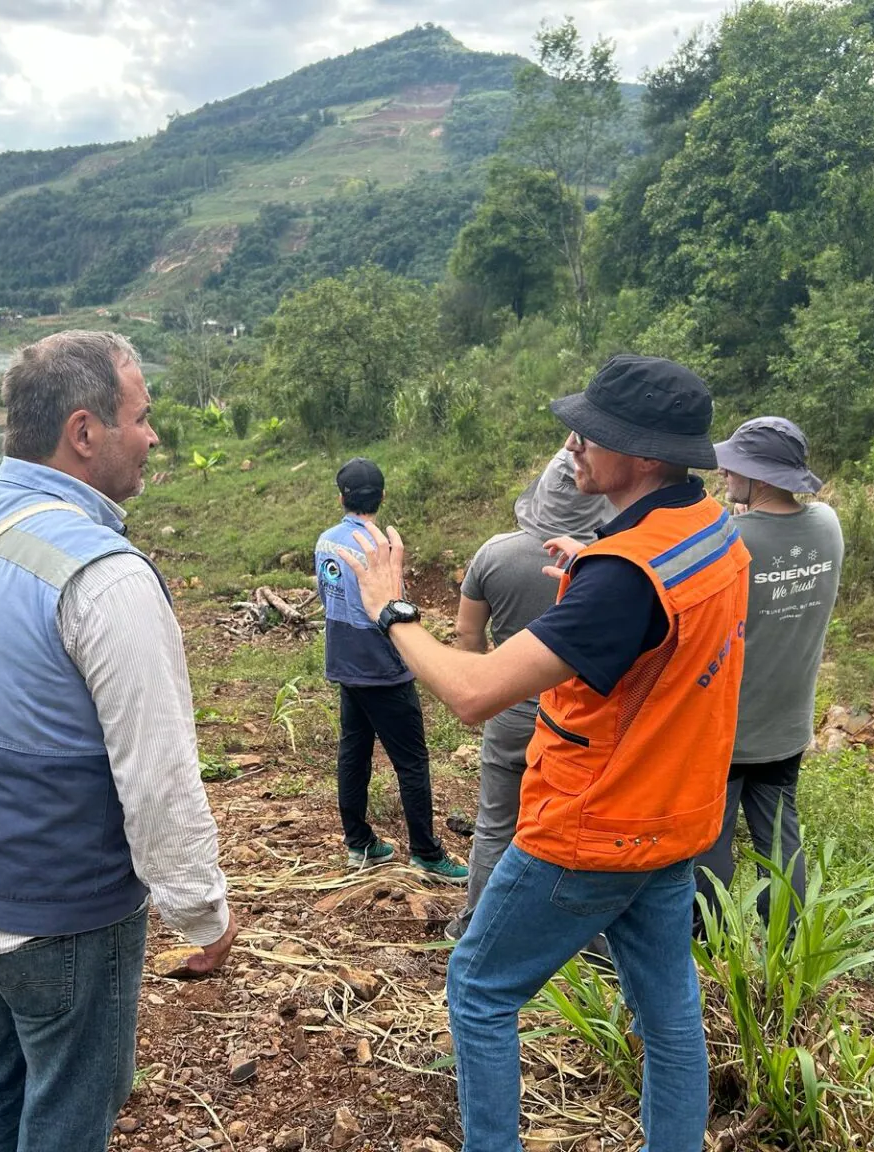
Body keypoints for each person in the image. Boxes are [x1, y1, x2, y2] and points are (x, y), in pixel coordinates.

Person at [335, 354, 750, 1152]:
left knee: (480, 987)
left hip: (592, 831)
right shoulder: (707, 532)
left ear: (645, 455)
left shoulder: (626, 578)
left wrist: (391, 610)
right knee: (667, 1013)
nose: (573, 443)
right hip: (675, 822)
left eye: (592, 431)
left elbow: (473, 691)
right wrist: (588, 582)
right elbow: (661, 645)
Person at [0, 330, 238, 1152]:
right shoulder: (105, 577)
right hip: (57, 912)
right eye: (141, 416)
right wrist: (202, 911)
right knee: (69, 1107)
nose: (152, 436)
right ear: (85, 433)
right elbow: (158, 776)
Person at [445, 446, 616, 940]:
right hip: (585, 721)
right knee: (585, 828)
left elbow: (467, 634)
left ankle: (476, 923)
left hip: (511, 712)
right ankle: (584, 939)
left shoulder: (496, 554)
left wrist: (488, 682)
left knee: (497, 821)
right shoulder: (612, 561)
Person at [693, 417, 844, 932]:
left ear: (758, 476)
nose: (724, 470)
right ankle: (783, 945)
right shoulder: (827, 525)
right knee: (781, 837)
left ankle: (702, 946)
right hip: (788, 724)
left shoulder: (726, 536)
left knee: (708, 841)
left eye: (735, 464)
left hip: (726, 730)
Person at [313, 457, 467, 883]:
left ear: (341, 496)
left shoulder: (326, 541)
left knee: (354, 752)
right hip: (383, 666)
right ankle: (426, 851)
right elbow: (387, 608)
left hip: (344, 662)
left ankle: (359, 843)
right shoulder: (381, 546)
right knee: (412, 761)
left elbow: (331, 598)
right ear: (380, 496)